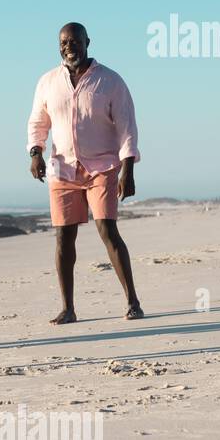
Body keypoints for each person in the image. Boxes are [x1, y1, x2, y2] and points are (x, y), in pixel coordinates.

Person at [26, 22, 143, 324]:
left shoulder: (111, 81)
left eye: (75, 41)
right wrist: (36, 152)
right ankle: (68, 308)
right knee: (64, 237)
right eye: (64, 42)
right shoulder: (48, 82)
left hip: (103, 166)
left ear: (87, 42)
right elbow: (38, 123)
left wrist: (127, 170)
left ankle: (132, 301)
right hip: (62, 169)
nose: (69, 47)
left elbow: (127, 128)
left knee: (107, 230)